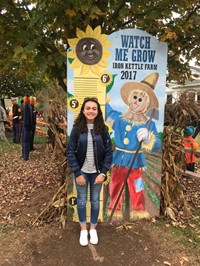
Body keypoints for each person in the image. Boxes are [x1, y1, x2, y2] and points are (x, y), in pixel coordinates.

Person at [106, 72, 162, 220]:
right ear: (129, 99)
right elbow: (106, 112)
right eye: (135, 97)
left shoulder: (149, 123)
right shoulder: (119, 118)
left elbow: (157, 146)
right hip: (119, 160)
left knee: (137, 187)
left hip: (136, 162)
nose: (136, 101)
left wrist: (149, 138)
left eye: (140, 99)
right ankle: (114, 211)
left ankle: (138, 211)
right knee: (115, 185)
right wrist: (104, 101)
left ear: (147, 104)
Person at [67, 97, 113, 246]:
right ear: (83, 110)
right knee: (81, 201)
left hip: (97, 173)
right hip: (82, 172)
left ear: (98, 111)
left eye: (94, 108)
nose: (91, 111)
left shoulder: (103, 129)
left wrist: (103, 172)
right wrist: (77, 173)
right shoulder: (76, 129)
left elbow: (108, 152)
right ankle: (83, 230)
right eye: (88, 108)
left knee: (94, 201)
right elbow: (70, 152)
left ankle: (92, 228)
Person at [22, 94, 32, 161]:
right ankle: (25, 156)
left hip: (27, 127)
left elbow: (26, 118)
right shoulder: (29, 106)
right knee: (26, 142)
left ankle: (25, 157)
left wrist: (25, 125)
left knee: (25, 142)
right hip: (29, 127)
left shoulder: (26, 106)